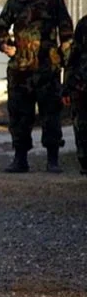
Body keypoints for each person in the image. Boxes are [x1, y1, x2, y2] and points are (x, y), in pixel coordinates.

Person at [0, 0, 74, 173]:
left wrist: (66, 59)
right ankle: (20, 158)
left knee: (51, 115)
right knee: (20, 115)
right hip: (21, 68)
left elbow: (66, 32)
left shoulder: (54, 1)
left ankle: (53, 159)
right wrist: (5, 45)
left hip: (47, 68)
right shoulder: (15, 1)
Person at [62, 12, 87, 176]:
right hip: (82, 86)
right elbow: (73, 58)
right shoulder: (84, 24)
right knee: (82, 126)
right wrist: (67, 87)